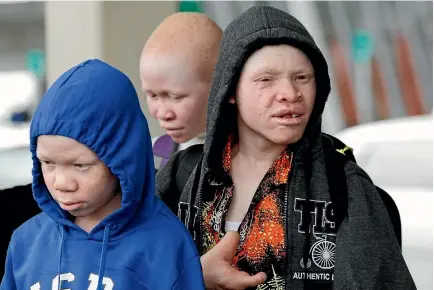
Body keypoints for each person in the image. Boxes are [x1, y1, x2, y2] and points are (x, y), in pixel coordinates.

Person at [156, 5, 416, 290]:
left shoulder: (345, 187)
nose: (290, 94)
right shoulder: (181, 177)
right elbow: (124, 272)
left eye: (302, 78)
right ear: (229, 90)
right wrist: (192, 276)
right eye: (266, 80)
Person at [0, 59, 205, 290]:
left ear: (121, 160)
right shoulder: (26, 242)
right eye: (48, 163)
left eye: (80, 166)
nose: (62, 183)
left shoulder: (166, 245)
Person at [139, 12, 222, 170]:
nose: (163, 114)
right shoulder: (154, 155)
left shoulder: (252, 159)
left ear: (220, 86)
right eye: (152, 95)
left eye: (176, 97)